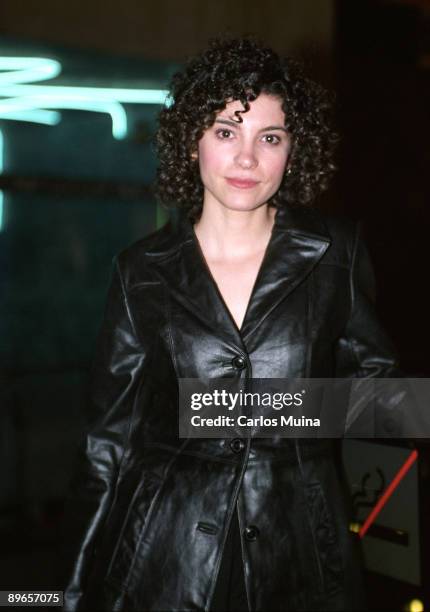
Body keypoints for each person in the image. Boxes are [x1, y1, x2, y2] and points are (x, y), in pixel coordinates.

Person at [62, 37, 400, 611]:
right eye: (225, 132)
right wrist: (69, 590)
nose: (247, 159)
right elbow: (106, 446)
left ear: (295, 150)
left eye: (269, 138)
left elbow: (389, 401)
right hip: (164, 557)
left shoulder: (335, 253)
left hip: (303, 557)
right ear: (191, 141)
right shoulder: (139, 271)